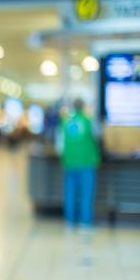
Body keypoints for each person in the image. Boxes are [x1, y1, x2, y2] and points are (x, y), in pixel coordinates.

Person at [58, 98, 100, 231]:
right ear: (83, 107)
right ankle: (85, 222)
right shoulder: (89, 121)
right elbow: (98, 136)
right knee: (86, 193)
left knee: (69, 192)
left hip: (69, 161)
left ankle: (69, 221)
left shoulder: (65, 121)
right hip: (86, 161)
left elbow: (59, 143)